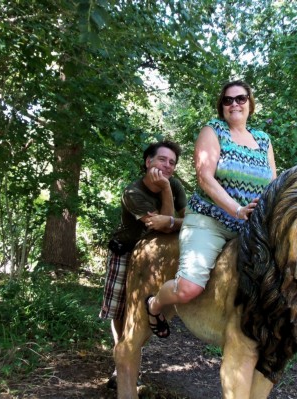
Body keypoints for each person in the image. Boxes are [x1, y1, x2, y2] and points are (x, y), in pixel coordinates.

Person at [145, 80, 276, 339]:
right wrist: (237, 210)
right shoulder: (213, 130)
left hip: (252, 226)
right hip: (210, 220)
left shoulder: (263, 140)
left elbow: (273, 183)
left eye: (240, 98)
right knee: (188, 288)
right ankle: (154, 304)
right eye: (228, 100)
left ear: (250, 103)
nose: (235, 104)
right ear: (222, 107)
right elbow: (205, 178)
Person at [99, 140, 186, 388]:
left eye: (172, 162)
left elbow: (183, 221)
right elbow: (161, 227)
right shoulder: (133, 192)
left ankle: (130, 359)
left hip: (155, 256)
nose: (168, 166)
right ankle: (122, 364)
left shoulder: (175, 184)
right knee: (119, 309)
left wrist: (169, 195)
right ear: (148, 162)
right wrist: (167, 195)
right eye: (162, 160)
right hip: (126, 251)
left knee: (141, 313)